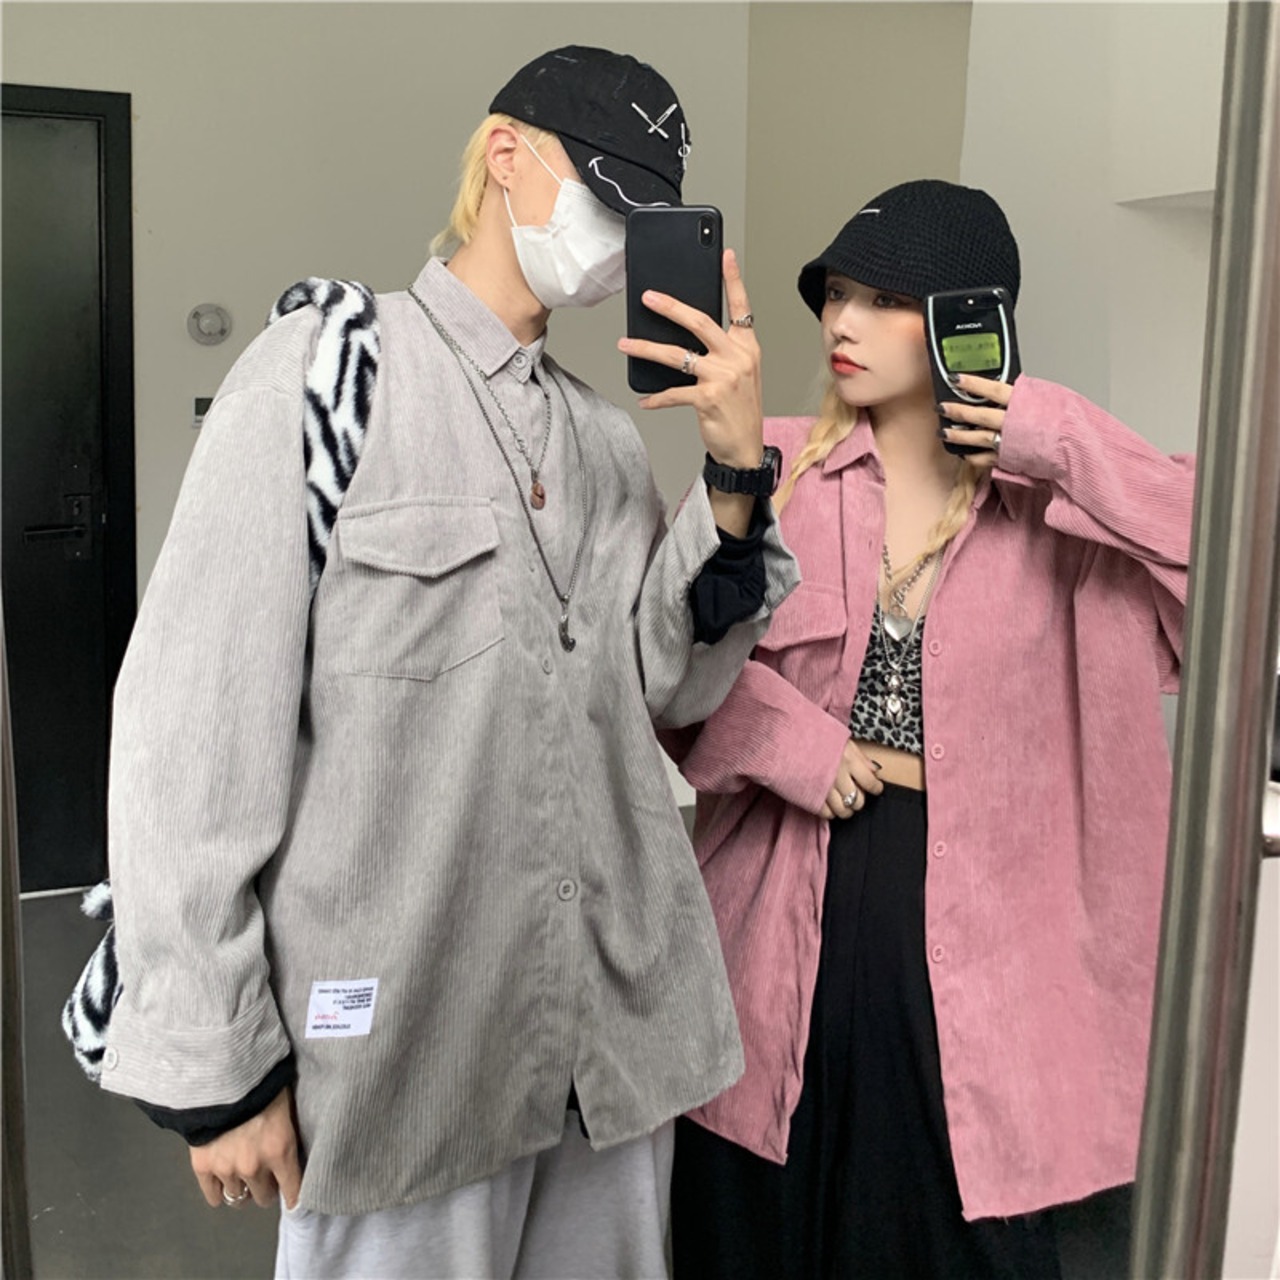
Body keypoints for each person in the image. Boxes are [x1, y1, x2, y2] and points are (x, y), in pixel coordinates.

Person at [92, 46, 797, 1280]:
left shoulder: (604, 443)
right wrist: (217, 1064)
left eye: (643, 217)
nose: (612, 242)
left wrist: (733, 472)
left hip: (610, 1038)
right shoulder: (325, 373)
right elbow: (189, 727)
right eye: (604, 196)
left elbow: (667, 690)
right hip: (403, 1046)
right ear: (505, 155)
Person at [653, 180, 1194, 1278]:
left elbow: (1231, 558)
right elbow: (664, 670)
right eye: (836, 294)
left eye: (885, 300)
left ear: (967, 322)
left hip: (989, 928)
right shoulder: (773, 468)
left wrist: (1053, 432)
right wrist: (797, 745)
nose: (842, 322)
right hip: (782, 901)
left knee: (954, 1227)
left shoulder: (1058, 511)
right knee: (763, 1223)